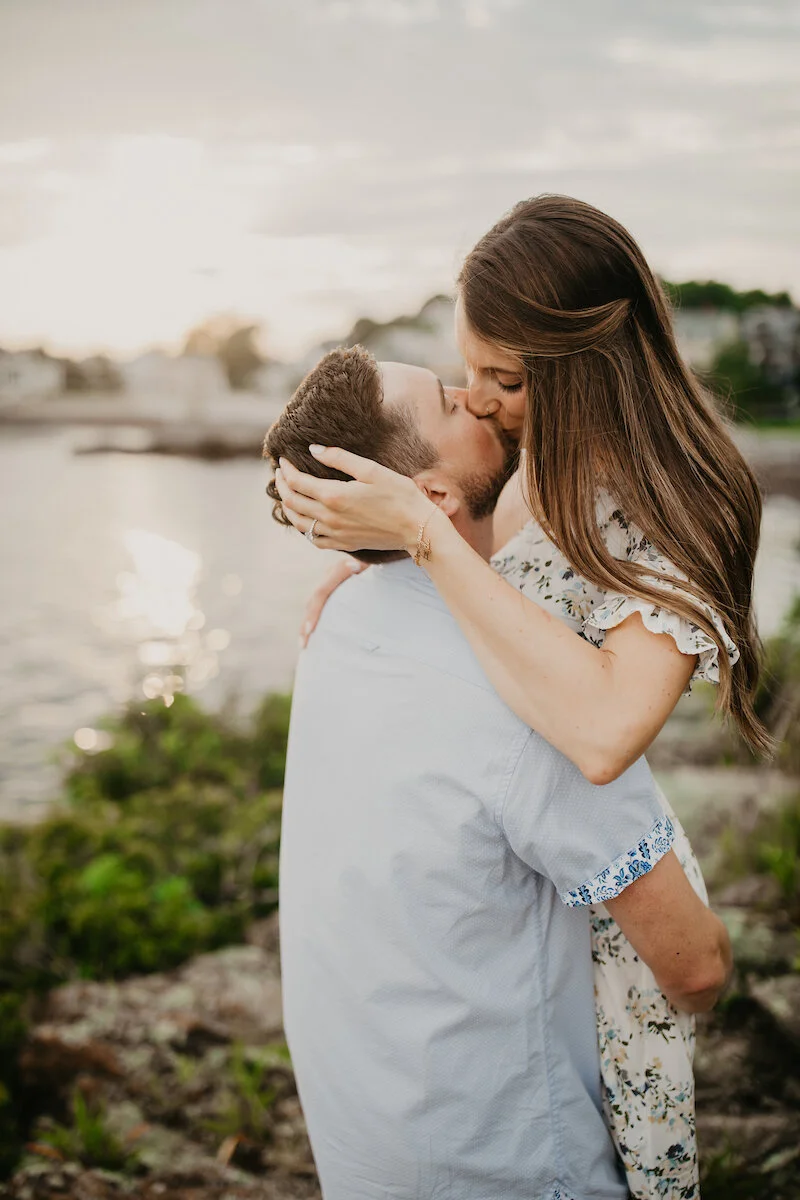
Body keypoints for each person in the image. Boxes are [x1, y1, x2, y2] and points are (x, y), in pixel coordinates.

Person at [272, 196, 766, 1196]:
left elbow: (602, 734)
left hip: (589, 819)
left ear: (587, 366)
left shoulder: (675, 512)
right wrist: (385, 560)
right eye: (469, 373)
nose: (484, 400)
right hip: (538, 843)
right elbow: (485, 568)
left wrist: (420, 537)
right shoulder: (534, 455)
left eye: (505, 379)